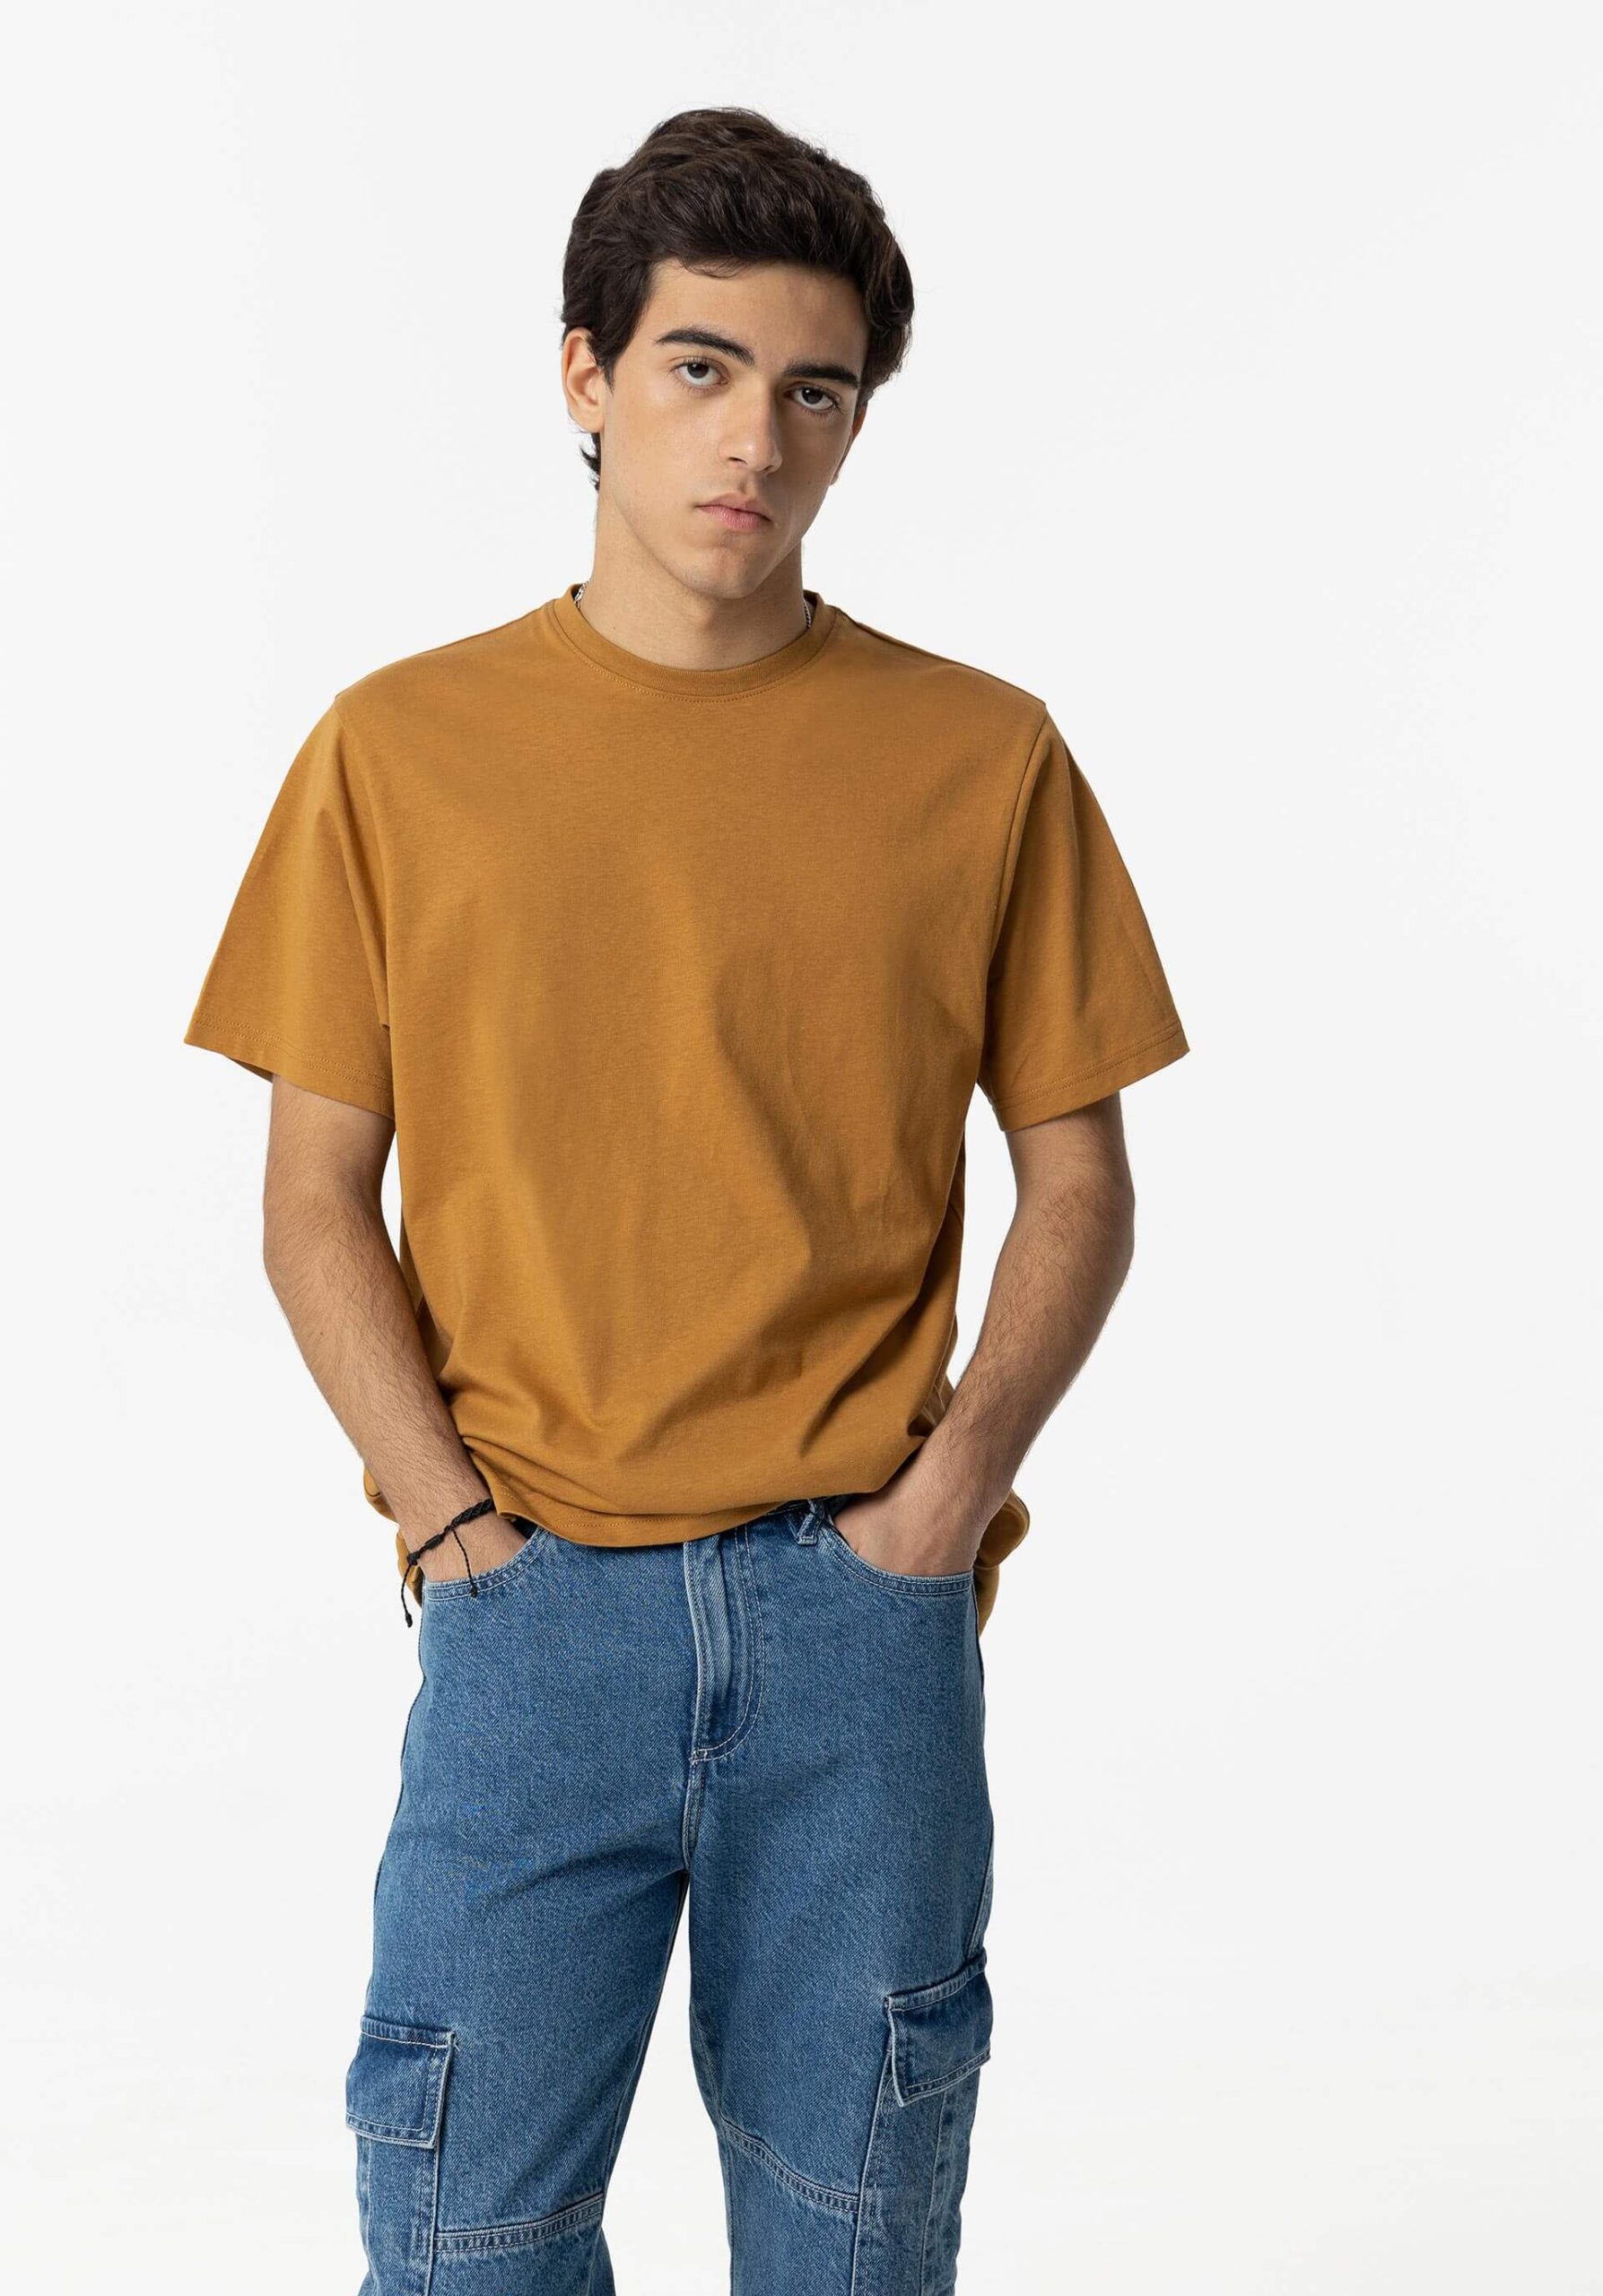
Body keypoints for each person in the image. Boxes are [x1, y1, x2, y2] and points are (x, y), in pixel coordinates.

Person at [184, 103, 1189, 2296]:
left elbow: (1081, 1178)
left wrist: (946, 1506)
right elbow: (313, 1195)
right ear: (588, 373)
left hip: (862, 1626)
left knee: (857, 2246)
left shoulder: (982, 753)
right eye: (701, 366)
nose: (756, 437)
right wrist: (451, 1527)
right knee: (463, 2242)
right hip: (530, 1611)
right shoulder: (396, 750)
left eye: (815, 390)